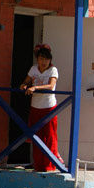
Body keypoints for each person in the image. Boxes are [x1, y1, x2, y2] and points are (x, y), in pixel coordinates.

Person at [19, 44, 63, 172]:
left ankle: (50, 166)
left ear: (50, 60)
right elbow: (26, 81)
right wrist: (24, 85)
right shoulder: (33, 69)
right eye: (41, 59)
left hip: (49, 107)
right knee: (36, 137)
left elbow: (51, 85)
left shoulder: (53, 70)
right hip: (35, 107)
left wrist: (35, 88)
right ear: (37, 59)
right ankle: (38, 165)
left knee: (49, 137)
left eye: (46, 59)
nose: (43, 62)